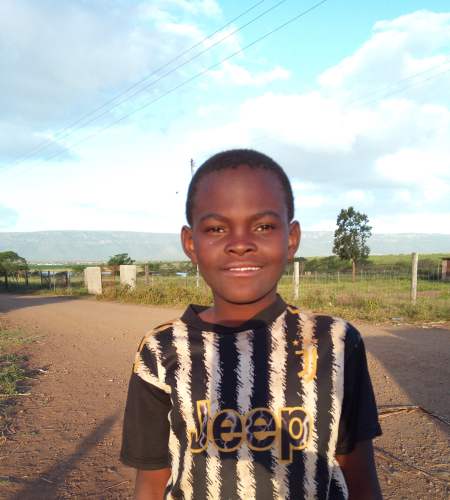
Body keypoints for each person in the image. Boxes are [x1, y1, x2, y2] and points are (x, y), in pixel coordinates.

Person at [120, 149, 383, 500]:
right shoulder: (161, 349)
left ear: (291, 239)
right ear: (191, 244)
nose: (240, 244)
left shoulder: (334, 342)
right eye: (216, 228)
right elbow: (151, 485)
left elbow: (361, 480)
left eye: (263, 226)